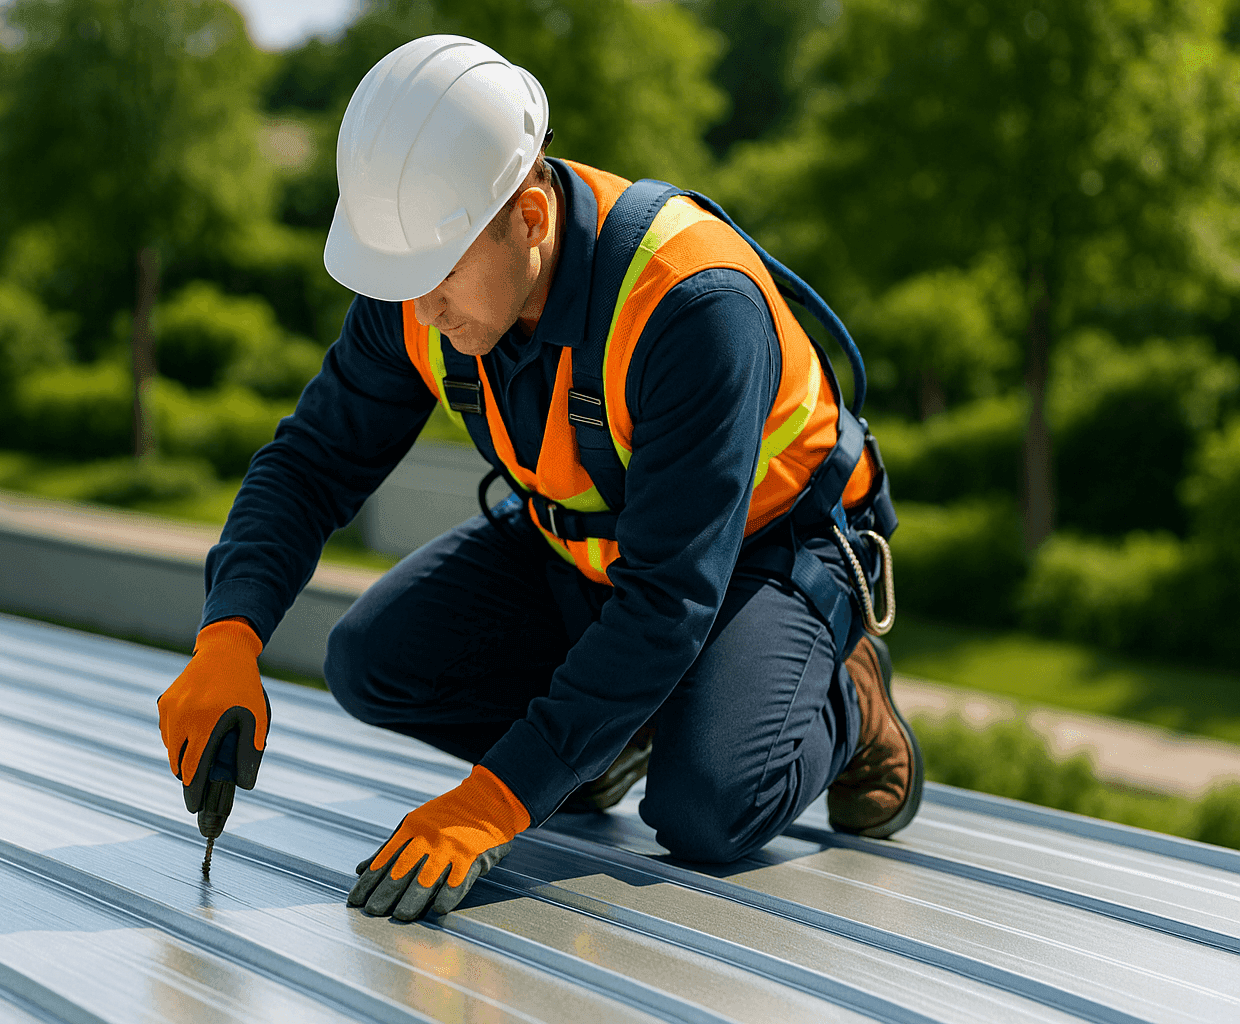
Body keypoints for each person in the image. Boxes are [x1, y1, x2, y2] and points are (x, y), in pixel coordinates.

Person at [157, 34, 921, 923]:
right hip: (586, 544)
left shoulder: (690, 303)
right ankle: (610, 734)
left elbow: (670, 598)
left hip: (765, 554)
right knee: (371, 663)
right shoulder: (420, 285)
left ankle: (851, 691)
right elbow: (311, 462)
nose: (420, 311)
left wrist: (494, 803)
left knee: (705, 808)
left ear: (528, 213)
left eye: (436, 274)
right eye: (399, 278)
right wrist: (229, 635)